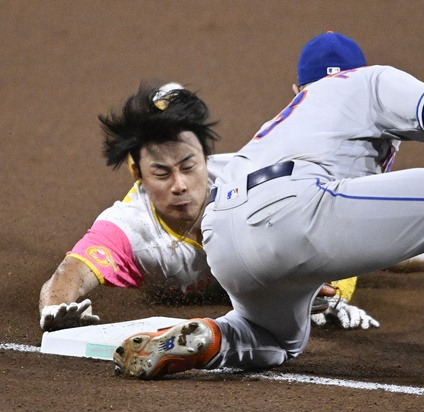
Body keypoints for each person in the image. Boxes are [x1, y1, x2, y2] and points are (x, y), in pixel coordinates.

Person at [114, 32, 424, 382]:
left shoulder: (287, 118)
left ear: (299, 88)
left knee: (274, 338)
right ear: (351, 72)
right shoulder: (365, 81)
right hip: (300, 210)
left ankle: (210, 338)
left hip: (225, 232)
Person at [38, 82, 379, 333]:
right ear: (138, 174)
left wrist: (332, 291)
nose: (180, 184)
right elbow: (70, 273)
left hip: (263, 252)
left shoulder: (246, 182)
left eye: (189, 166)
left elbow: (330, 212)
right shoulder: (131, 228)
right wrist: (58, 308)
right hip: (235, 270)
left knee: (406, 250)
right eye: (161, 173)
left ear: (206, 158)